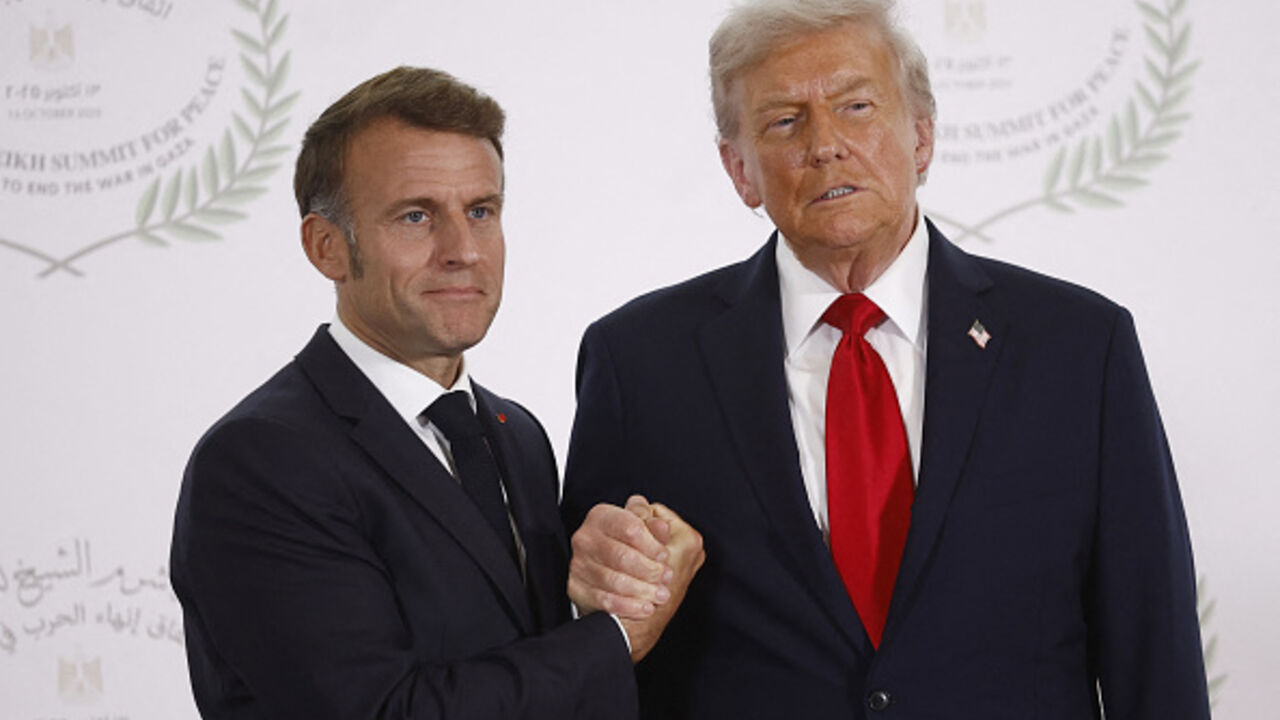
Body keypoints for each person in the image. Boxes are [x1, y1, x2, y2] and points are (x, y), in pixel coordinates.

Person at [561, 1, 1211, 718]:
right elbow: (590, 653)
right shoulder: (640, 362)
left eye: (857, 106)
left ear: (922, 136)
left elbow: (1154, 650)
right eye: (785, 121)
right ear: (739, 169)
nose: (826, 145)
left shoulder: (1079, 348)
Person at [170, 66, 702, 720]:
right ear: (326, 247)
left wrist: (620, 574)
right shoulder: (260, 461)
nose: (462, 250)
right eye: (416, 216)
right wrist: (616, 636)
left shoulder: (517, 434)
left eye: (480, 211)